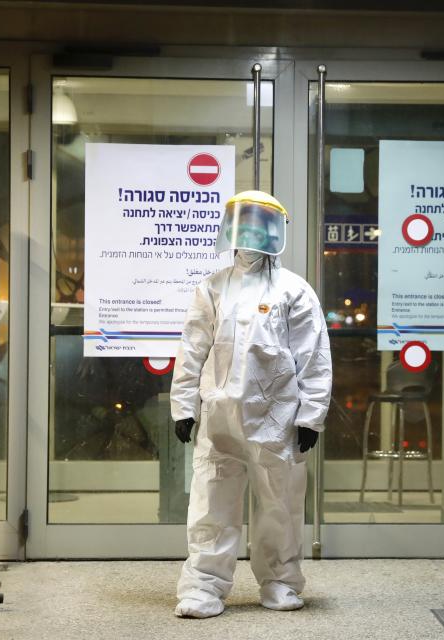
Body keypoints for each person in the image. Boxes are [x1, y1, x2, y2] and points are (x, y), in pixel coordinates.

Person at [169, 190, 332, 618]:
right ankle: (204, 586)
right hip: (219, 416)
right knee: (211, 501)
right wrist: (183, 406)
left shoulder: (294, 290)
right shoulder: (213, 287)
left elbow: (313, 356)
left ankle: (280, 582)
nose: (250, 234)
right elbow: (192, 349)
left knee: (279, 505)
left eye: (260, 224)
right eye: (243, 223)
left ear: (275, 231)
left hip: (276, 418)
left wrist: (312, 416)